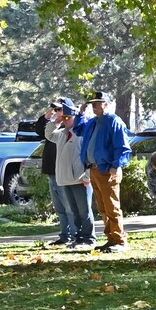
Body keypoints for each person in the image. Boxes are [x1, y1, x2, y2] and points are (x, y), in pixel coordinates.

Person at [76, 91, 131, 251]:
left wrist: (116, 165)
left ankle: (120, 240)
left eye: (97, 103)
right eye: (93, 104)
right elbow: (79, 130)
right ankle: (111, 238)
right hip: (94, 169)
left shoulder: (113, 121)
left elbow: (122, 146)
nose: (94, 106)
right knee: (103, 208)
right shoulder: (93, 122)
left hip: (107, 170)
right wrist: (80, 113)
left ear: (105, 105)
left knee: (112, 206)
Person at [45, 103, 94, 248]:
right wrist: (55, 122)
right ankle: (78, 238)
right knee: (74, 212)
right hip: (65, 180)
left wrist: (87, 177)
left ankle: (89, 239)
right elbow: (48, 134)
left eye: (68, 117)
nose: (65, 120)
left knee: (84, 211)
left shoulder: (82, 135)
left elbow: (89, 158)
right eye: (63, 117)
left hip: (80, 180)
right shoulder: (61, 134)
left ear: (75, 118)